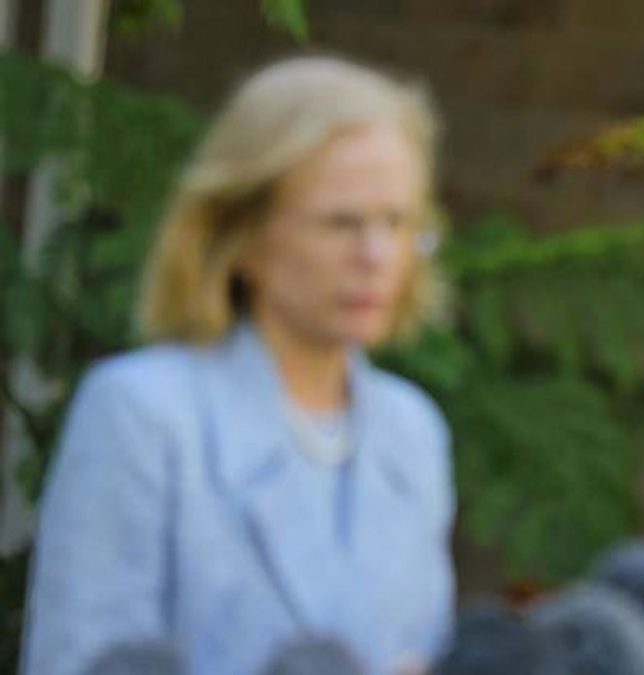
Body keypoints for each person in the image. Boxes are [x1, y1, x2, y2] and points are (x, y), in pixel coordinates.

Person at [21, 55, 454, 675]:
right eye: (341, 223)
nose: (376, 254)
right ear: (242, 233)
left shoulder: (414, 432)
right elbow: (81, 661)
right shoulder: (142, 413)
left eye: (398, 222)